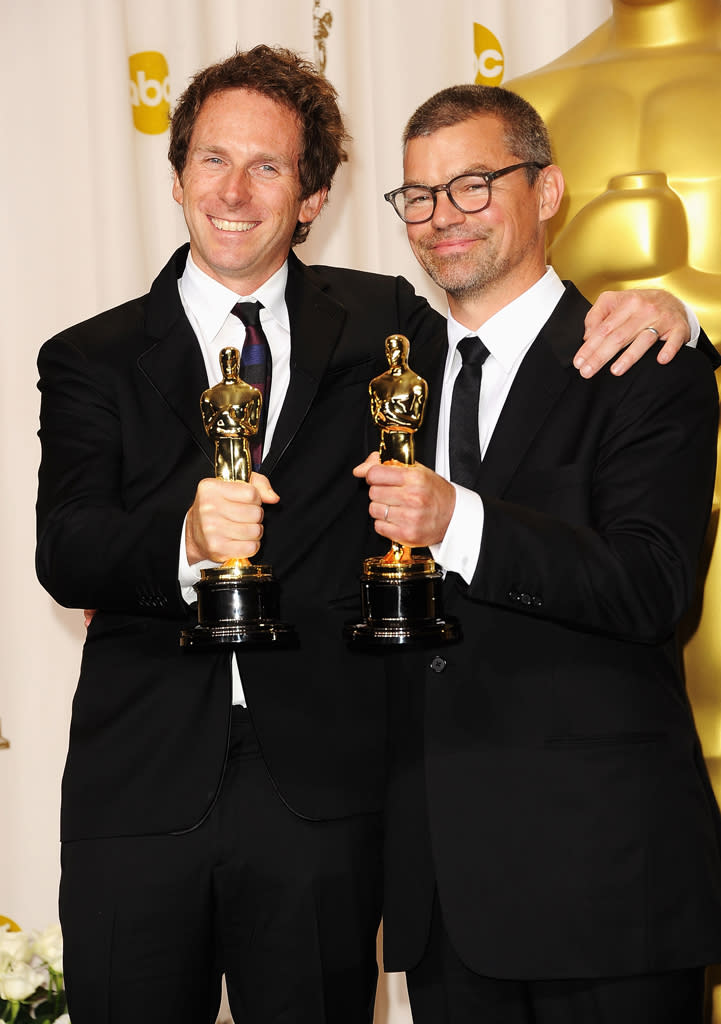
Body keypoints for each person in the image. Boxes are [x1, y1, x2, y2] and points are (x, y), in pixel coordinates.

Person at [35, 44, 701, 1024]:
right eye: (213, 160)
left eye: (270, 167)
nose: (235, 190)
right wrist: (179, 539)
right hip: (139, 794)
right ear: (175, 176)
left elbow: (527, 330)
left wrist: (665, 307)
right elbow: (69, 551)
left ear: (311, 198)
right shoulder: (87, 355)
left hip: (331, 795)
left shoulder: (389, 328)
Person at [355, 84, 721, 1023]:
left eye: (473, 185)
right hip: (442, 896)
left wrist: (457, 523)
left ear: (549, 190)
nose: (441, 217)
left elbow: (653, 588)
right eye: (419, 196)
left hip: (606, 885)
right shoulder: (382, 376)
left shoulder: (643, 359)